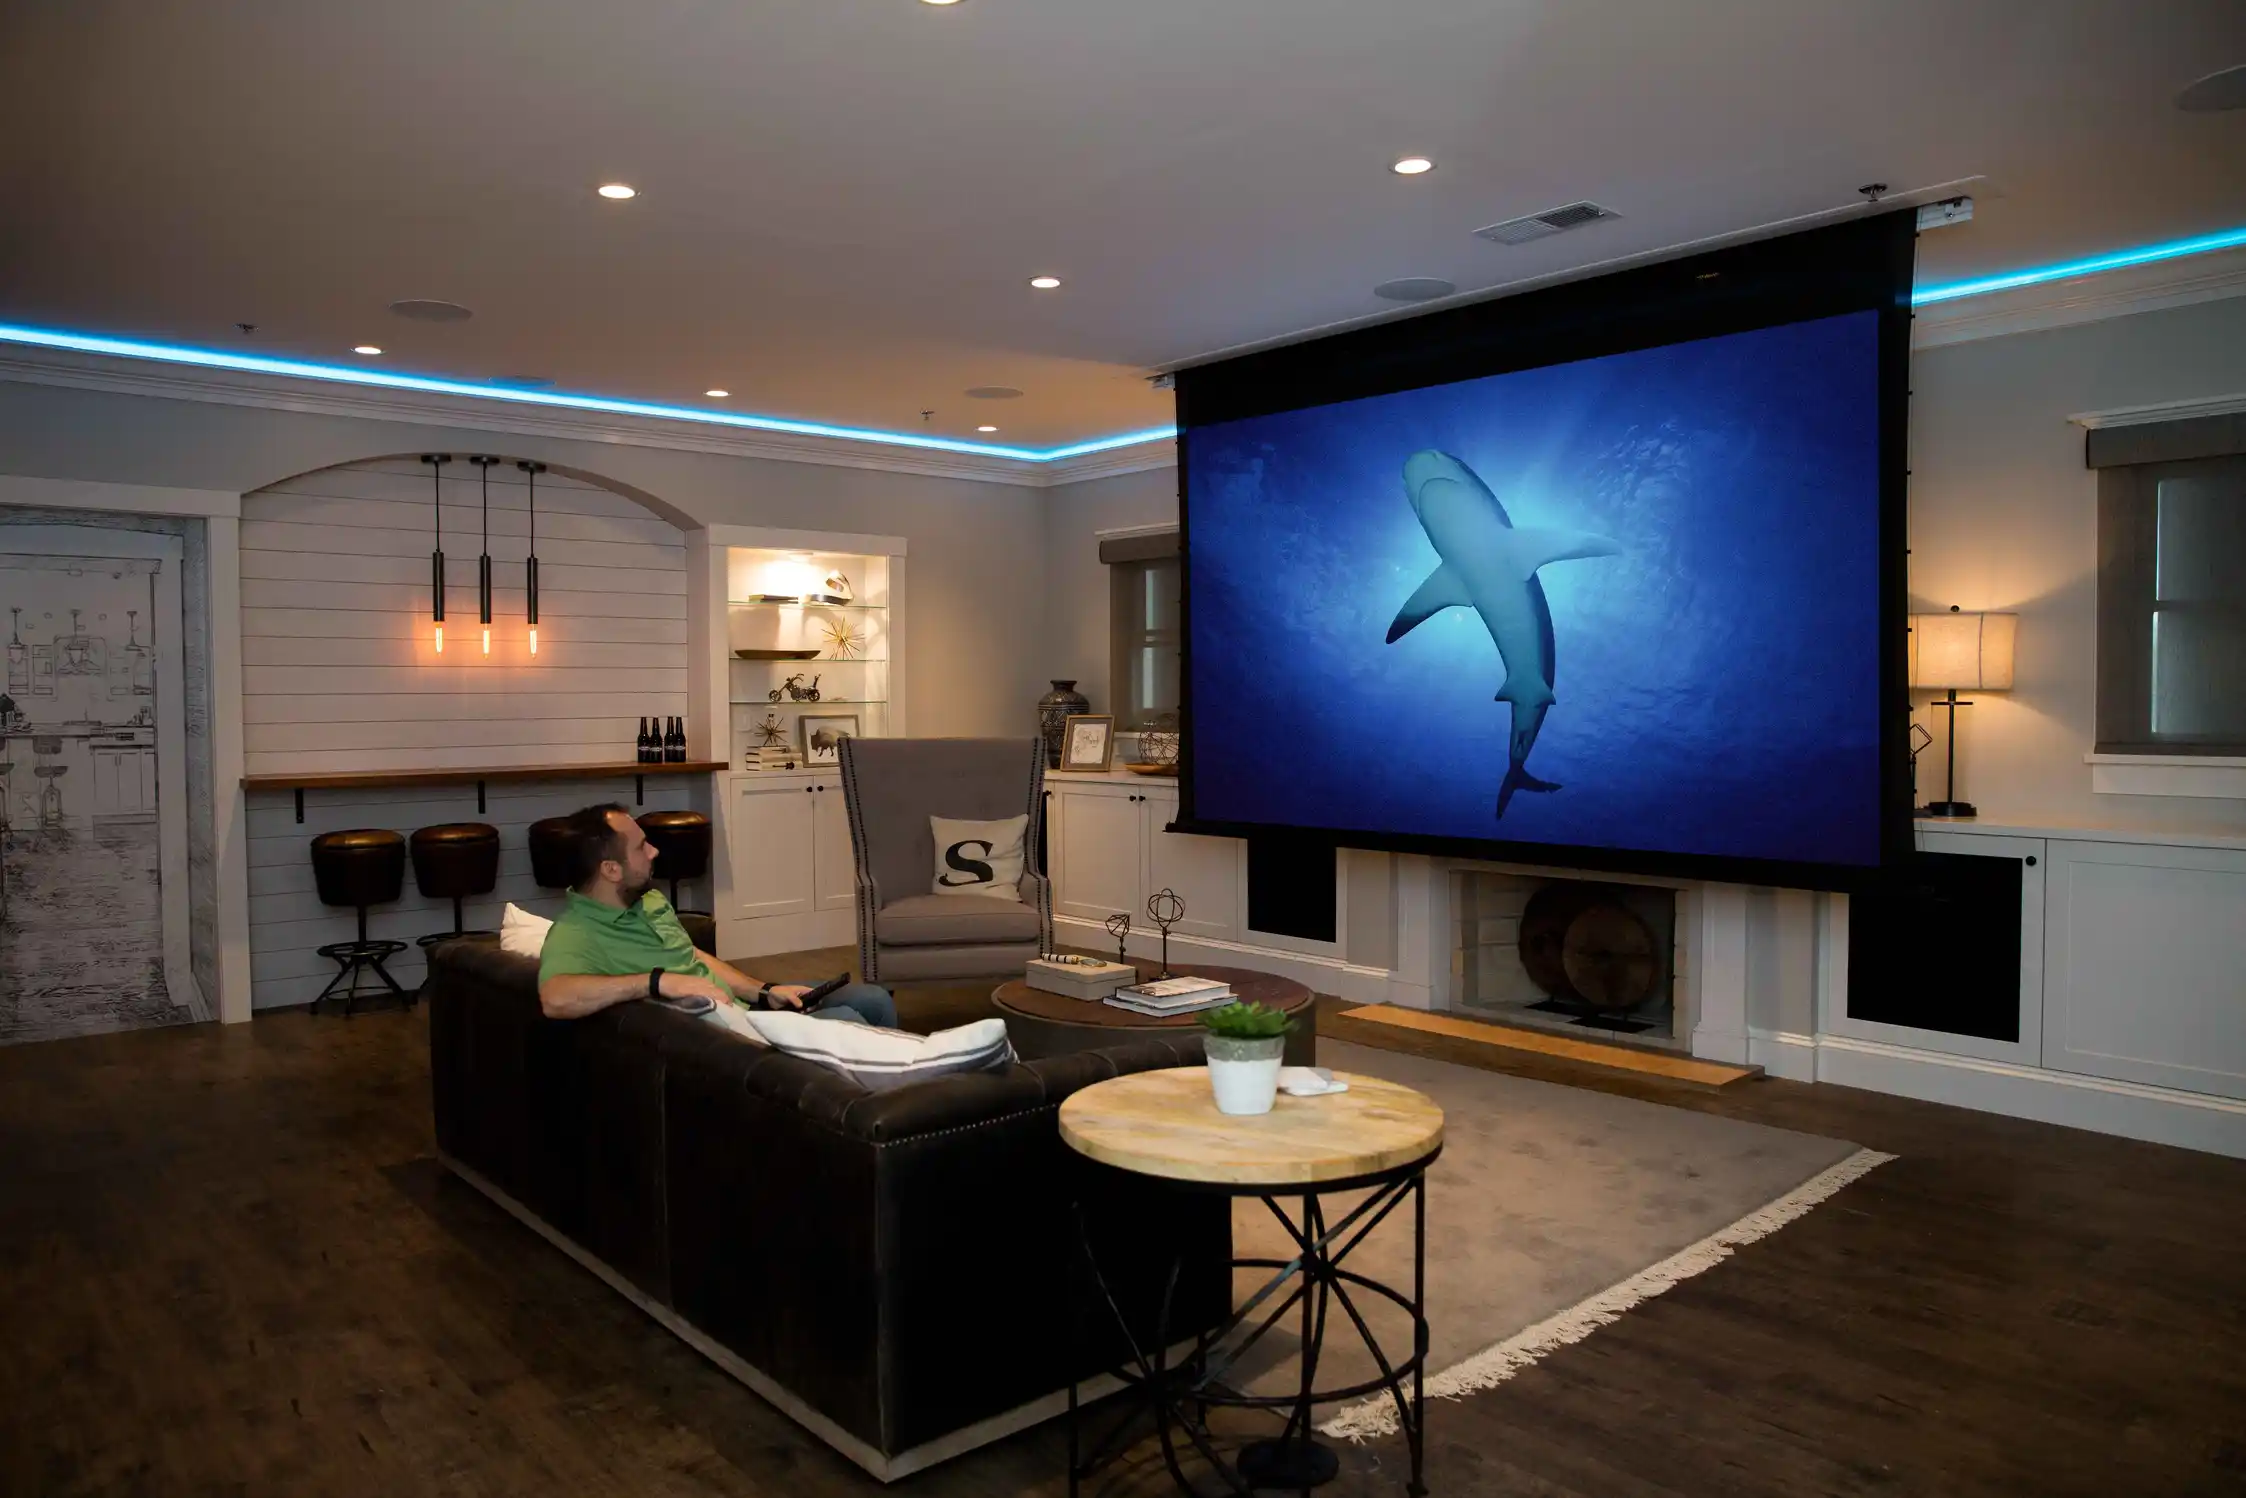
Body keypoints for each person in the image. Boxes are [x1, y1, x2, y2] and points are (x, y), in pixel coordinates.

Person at [536, 802, 898, 1027]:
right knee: (847, 1021)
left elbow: (692, 956)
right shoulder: (576, 932)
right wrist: (656, 981)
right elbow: (554, 998)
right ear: (611, 870)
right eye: (641, 847)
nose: (655, 851)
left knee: (874, 1000)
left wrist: (765, 990)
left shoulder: (646, 899)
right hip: (728, 1040)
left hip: (748, 1011)